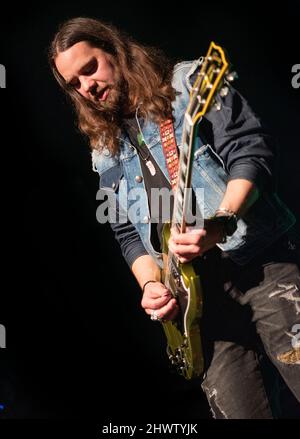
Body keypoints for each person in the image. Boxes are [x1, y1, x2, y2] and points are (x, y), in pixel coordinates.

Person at [49, 17, 300, 419]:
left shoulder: (188, 84)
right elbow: (127, 232)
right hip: (198, 307)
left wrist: (221, 222)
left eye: (90, 68)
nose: (87, 87)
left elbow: (251, 153)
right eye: (73, 85)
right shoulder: (104, 148)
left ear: (114, 49)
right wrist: (151, 284)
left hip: (261, 263)